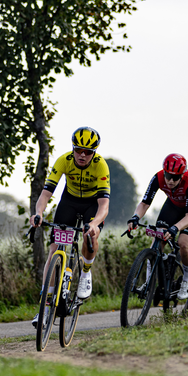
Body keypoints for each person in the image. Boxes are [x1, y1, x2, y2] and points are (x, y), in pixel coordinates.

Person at [29, 126, 110, 327]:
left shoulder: (101, 166)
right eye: (78, 150)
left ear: (94, 152)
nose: (82, 155)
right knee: (54, 250)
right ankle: (44, 309)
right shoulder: (64, 160)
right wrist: (38, 213)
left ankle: (85, 272)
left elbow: (104, 206)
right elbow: (46, 194)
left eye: (87, 152)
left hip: (92, 204)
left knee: (90, 236)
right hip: (69, 202)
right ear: (73, 148)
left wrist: (94, 224)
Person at [127, 153, 188, 300]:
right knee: (157, 241)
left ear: (182, 175)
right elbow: (145, 203)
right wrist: (135, 217)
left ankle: (187, 279)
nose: (171, 180)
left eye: (175, 178)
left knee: (184, 243)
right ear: (164, 172)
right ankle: (149, 283)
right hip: (174, 205)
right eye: (168, 176)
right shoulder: (158, 177)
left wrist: (175, 228)